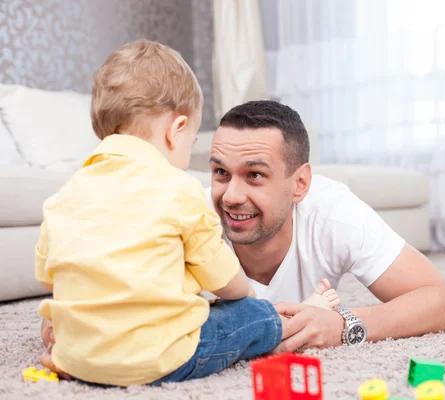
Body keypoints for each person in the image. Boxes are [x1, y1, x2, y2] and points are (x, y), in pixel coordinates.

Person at [34, 39, 340, 386]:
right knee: (248, 315)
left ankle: (85, 360)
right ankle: (294, 319)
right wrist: (246, 297)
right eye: (192, 141)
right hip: (160, 359)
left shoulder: (63, 196)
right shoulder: (180, 190)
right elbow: (228, 285)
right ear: (176, 129)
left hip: (81, 356)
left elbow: (49, 277)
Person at [205, 100, 445, 353]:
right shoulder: (186, 216)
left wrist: (343, 325)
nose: (231, 197)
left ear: (300, 184)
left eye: (255, 175)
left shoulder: (332, 212)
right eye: (221, 172)